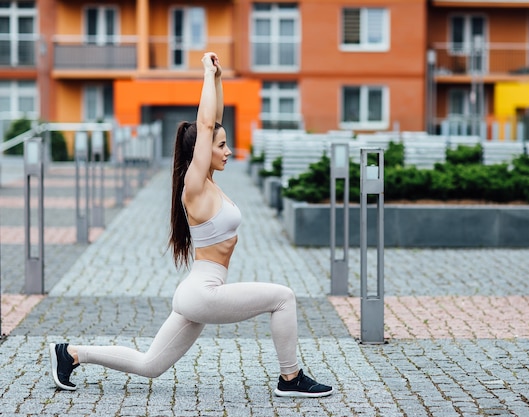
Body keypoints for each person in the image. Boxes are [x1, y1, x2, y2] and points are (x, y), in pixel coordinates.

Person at [49, 52, 333, 398]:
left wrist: (217, 78)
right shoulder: (194, 187)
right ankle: (291, 378)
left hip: (196, 292)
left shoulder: (209, 182)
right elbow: (206, 121)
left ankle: (72, 354)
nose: (228, 151)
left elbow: (214, 118)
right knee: (283, 297)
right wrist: (204, 73)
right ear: (201, 150)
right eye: (222, 145)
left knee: (150, 365)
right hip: (203, 294)